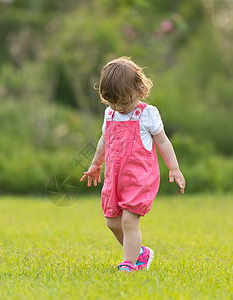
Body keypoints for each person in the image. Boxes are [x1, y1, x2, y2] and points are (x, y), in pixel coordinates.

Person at [80, 57, 186, 273]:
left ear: (139, 90)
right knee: (112, 222)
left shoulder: (147, 114)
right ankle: (141, 253)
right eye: (113, 103)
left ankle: (129, 263)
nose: (119, 108)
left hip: (139, 177)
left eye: (124, 103)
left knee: (129, 221)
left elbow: (163, 141)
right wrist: (95, 164)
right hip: (115, 177)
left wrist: (174, 168)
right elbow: (104, 140)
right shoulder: (110, 114)